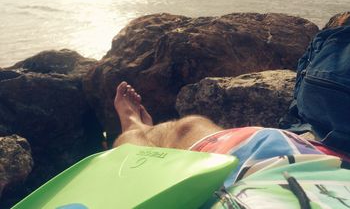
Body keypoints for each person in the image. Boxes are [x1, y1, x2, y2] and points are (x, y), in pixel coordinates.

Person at [113, 82, 350, 208]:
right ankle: (137, 131)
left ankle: (133, 128)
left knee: (138, 152)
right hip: (312, 164)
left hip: (255, 177)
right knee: (189, 126)